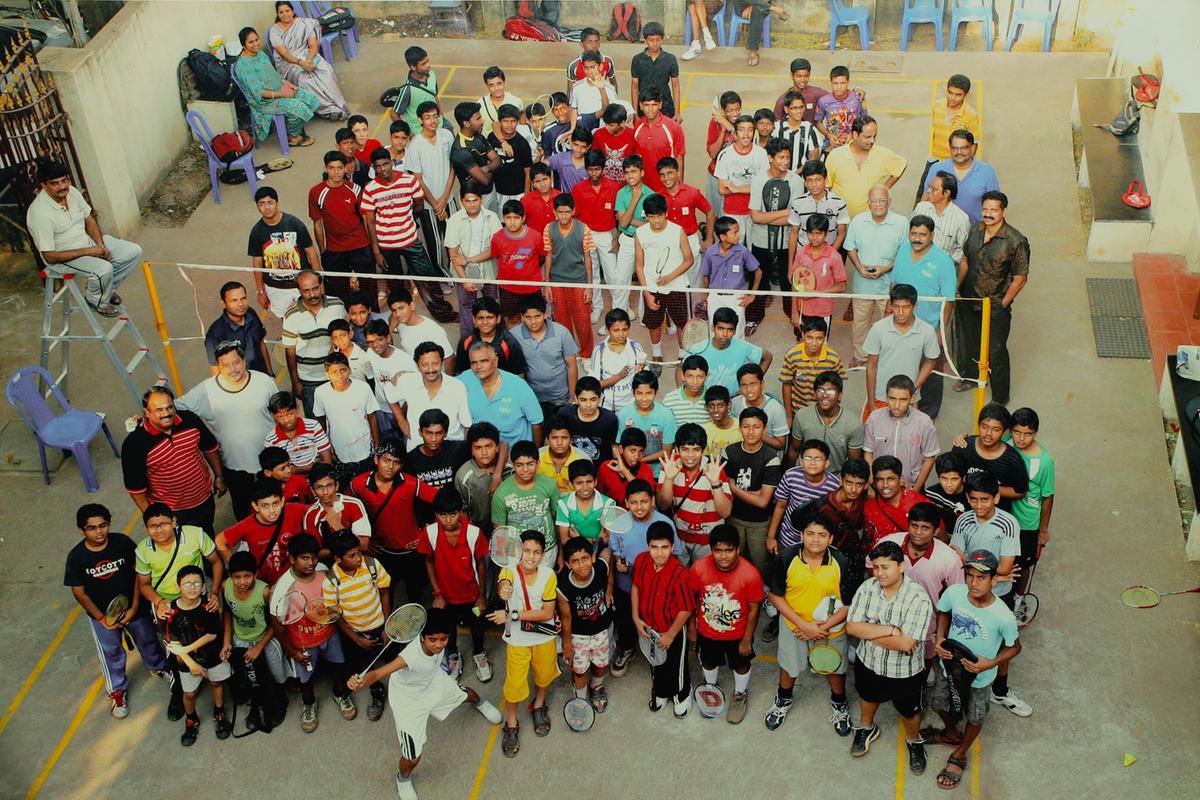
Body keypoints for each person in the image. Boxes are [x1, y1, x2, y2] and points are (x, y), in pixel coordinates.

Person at [349, 606, 501, 800]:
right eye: (433, 640)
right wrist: (360, 681)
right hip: (409, 703)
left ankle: (481, 703)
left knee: (467, 694)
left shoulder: (439, 643)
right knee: (412, 757)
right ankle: (402, 779)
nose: (439, 645)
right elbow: (379, 673)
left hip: (433, 683)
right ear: (422, 637)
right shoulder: (409, 656)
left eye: (443, 639)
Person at [926, 550, 1022, 790]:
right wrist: (939, 638)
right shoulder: (955, 593)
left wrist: (988, 664)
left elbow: (1015, 647)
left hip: (980, 676)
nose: (973, 583)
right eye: (969, 576)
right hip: (950, 667)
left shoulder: (1003, 616)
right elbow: (944, 611)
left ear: (993, 580)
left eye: (981, 578)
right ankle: (951, 732)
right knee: (937, 704)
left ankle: (960, 753)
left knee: (976, 717)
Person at [67, 503, 169, 719]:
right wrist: (101, 618)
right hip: (103, 617)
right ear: (81, 530)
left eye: (102, 525)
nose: (98, 531)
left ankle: (159, 666)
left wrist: (133, 606)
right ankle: (117, 691)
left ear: (109, 523)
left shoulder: (122, 542)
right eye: (91, 528)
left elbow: (138, 575)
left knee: (148, 639)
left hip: (135, 609)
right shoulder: (76, 557)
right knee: (111, 652)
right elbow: (80, 593)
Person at [845, 540, 934, 771]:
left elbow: (906, 644)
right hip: (869, 661)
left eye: (886, 567)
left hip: (904, 670)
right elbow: (852, 628)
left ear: (901, 566)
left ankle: (914, 741)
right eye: (876, 567)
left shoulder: (918, 598)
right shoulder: (867, 587)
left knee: (909, 710)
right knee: (868, 695)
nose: (879, 573)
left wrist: (870, 631)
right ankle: (866, 728)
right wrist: (890, 630)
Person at [763, 510, 852, 734]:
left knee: (835, 668)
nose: (815, 539)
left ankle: (839, 704)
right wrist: (804, 626)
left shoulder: (841, 561)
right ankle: (783, 700)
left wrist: (822, 627)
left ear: (831, 539)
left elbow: (850, 604)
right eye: (810, 533)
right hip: (794, 626)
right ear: (801, 535)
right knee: (789, 666)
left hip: (830, 628)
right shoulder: (786, 559)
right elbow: (774, 595)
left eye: (822, 535)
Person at [27, 160, 142, 317]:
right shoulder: (41, 214)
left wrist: (100, 245)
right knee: (104, 269)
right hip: (62, 256)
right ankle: (96, 301)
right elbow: (50, 256)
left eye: (64, 181)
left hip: (86, 244)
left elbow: (89, 219)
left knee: (133, 251)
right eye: (55, 184)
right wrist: (89, 251)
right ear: (43, 185)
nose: (62, 187)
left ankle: (106, 290)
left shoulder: (72, 193)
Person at [176, 341, 276, 520]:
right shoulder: (205, 390)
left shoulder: (264, 381)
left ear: (244, 360)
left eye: (236, 362)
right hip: (233, 464)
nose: (233, 369)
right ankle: (246, 537)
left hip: (269, 462)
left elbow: (279, 414)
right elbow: (174, 408)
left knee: (272, 502)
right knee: (242, 504)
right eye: (226, 365)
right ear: (218, 367)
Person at [486, 530, 561, 757]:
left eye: (536, 552)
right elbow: (503, 587)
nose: (530, 556)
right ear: (518, 551)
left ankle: (539, 705)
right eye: (526, 551)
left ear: (542, 554)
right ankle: (511, 724)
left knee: (544, 675)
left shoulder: (549, 575)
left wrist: (512, 615)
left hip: (544, 637)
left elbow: (547, 613)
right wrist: (504, 590)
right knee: (515, 684)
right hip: (517, 639)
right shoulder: (508, 571)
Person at [267, 532, 351, 732]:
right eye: (304, 558)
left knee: (339, 665)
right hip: (302, 642)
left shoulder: (323, 571)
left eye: (313, 557)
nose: (311, 562)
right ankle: (309, 703)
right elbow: (277, 624)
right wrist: (293, 652)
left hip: (330, 634)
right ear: (292, 559)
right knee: (305, 678)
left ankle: (341, 694)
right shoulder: (284, 587)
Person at [362, 148, 455, 322]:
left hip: (410, 240)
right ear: (374, 168)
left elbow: (418, 204)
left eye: (385, 164)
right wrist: (376, 251)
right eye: (378, 166)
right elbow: (370, 221)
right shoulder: (370, 189)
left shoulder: (409, 181)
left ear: (392, 162)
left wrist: (406, 218)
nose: (383, 169)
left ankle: (442, 313)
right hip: (386, 245)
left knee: (427, 278)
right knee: (395, 284)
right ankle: (399, 318)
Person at [957, 191, 1029, 405]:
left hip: (995, 307)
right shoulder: (975, 231)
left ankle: (1000, 397)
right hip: (969, 300)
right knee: (969, 343)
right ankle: (971, 378)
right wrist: (957, 289)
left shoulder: (1015, 240)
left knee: (995, 351)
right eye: (985, 209)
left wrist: (1003, 303)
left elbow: (1020, 278)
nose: (988, 214)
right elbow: (965, 261)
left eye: (993, 210)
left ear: (1003, 211)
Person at [872, 502, 964, 664]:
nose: (918, 533)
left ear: (936, 530)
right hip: (888, 621)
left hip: (927, 627)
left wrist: (941, 635)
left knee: (923, 665)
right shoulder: (888, 544)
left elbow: (953, 599)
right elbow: (871, 570)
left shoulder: (950, 559)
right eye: (914, 526)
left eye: (925, 528)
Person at [123, 387, 224, 533]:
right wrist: (153, 519)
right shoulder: (134, 445)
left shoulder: (190, 420)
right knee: (181, 548)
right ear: (146, 413)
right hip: (171, 511)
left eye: (169, 407)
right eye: (158, 410)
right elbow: (136, 490)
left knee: (206, 534)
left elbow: (210, 448)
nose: (166, 414)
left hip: (204, 500)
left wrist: (219, 477)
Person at [688, 524, 762, 724]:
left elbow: (754, 609)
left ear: (737, 549)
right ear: (711, 550)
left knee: (741, 664)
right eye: (718, 550)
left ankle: (740, 694)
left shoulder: (750, 574)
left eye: (728, 550)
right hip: (707, 631)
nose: (723, 556)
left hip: (737, 635)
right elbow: (691, 599)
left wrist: (747, 639)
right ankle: (710, 689)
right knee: (709, 661)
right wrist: (693, 629)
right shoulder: (699, 568)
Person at [420, 486, 491, 681]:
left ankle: (479, 654)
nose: (448, 520)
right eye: (443, 515)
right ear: (436, 514)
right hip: (446, 596)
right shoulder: (430, 533)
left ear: (460, 512)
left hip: (472, 595)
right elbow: (428, 561)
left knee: (477, 624)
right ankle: (452, 655)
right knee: (448, 627)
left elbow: (481, 566)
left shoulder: (474, 533)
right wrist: (438, 594)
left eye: (452, 514)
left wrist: (482, 597)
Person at [891, 215, 959, 418]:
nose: (917, 239)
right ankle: (901, 404)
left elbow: (949, 301)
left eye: (922, 234)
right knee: (902, 365)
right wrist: (889, 311)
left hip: (928, 327)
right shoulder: (903, 250)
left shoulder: (943, 262)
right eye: (913, 233)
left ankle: (928, 413)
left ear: (932, 235)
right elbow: (894, 284)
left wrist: (939, 333)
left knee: (930, 371)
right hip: (901, 323)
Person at [323, 529, 392, 722]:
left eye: (358, 552)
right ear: (338, 559)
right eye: (352, 555)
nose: (358, 558)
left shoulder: (371, 565)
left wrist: (387, 626)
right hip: (356, 632)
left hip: (380, 625)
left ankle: (408, 686)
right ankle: (376, 691)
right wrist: (356, 639)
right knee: (364, 663)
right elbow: (335, 615)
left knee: (392, 657)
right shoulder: (330, 581)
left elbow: (385, 592)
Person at [632, 521, 695, 716]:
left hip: (672, 629)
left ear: (672, 547)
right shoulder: (641, 560)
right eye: (654, 547)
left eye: (665, 547)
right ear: (648, 546)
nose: (659, 553)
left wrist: (670, 635)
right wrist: (635, 617)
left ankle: (682, 694)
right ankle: (661, 690)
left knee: (676, 665)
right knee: (655, 662)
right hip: (649, 628)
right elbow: (636, 587)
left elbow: (685, 609)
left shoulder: (680, 574)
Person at [221, 551, 288, 732]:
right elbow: (227, 613)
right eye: (237, 577)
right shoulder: (225, 587)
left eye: (247, 576)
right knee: (252, 677)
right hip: (241, 640)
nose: (242, 581)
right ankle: (258, 705)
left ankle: (279, 702)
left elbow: (276, 623)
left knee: (274, 673)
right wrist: (227, 641)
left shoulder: (265, 591)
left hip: (265, 640)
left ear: (255, 575)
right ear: (230, 576)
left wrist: (259, 647)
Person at [165, 564, 232, 745]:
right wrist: (191, 663)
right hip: (186, 662)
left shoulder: (208, 606)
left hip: (212, 655)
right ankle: (191, 719)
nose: (192, 587)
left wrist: (186, 649)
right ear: (178, 587)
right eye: (187, 584)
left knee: (217, 683)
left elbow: (212, 634)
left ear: (204, 587)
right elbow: (173, 642)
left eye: (197, 583)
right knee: (190, 693)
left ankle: (219, 713)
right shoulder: (170, 611)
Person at [844, 190, 908, 365]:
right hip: (862, 285)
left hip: (889, 286)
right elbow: (850, 248)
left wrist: (885, 268)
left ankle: (888, 358)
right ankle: (860, 355)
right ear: (868, 202)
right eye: (874, 201)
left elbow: (905, 254)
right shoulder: (858, 221)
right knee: (860, 322)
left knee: (891, 324)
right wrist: (859, 267)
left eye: (882, 200)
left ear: (890, 202)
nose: (878, 204)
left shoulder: (901, 223)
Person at [656, 424, 732, 565]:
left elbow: (726, 512)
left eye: (696, 450)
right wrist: (669, 478)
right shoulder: (670, 466)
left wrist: (715, 482)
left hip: (707, 541)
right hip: (680, 537)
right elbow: (663, 505)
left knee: (703, 579)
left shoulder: (714, 468)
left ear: (703, 450)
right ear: (677, 449)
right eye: (685, 449)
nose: (690, 455)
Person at [746, 141, 802, 329]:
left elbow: (794, 218)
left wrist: (767, 217)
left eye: (788, 157)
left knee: (789, 282)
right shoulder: (758, 180)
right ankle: (753, 317)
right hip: (760, 242)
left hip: (787, 243)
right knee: (759, 280)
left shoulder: (796, 181)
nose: (785, 162)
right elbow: (755, 216)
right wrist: (784, 212)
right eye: (781, 157)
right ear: (770, 158)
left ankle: (794, 319)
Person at [557, 536, 615, 712]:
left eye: (585, 558)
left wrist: (610, 586)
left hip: (601, 629)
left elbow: (608, 552)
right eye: (575, 561)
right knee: (580, 670)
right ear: (568, 564)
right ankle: (580, 699)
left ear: (593, 557)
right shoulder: (563, 586)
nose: (582, 565)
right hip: (578, 634)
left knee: (600, 663)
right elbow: (566, 618)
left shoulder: (600, 568)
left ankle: (597, 687)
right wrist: (567, 643)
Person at [234, 26, 317, 147]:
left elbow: (273, 75)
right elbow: (258, 93)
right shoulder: (243, 66)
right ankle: (293, 137)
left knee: (306, 96)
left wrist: (288, 85)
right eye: (251, 42)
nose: (256, 44)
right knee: (297, 106)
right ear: (243, 44)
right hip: (264, 102)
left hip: (278, 90)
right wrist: (283, 94)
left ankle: (295, 127)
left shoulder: (260, 54)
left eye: (257, 39)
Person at [309, 151, 374, 305]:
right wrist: (323, 250)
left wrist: (371, 245)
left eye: (339, 168)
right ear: (326, 169)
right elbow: (317, 223)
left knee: (368, 286)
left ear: (346, 169)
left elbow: (365, 218)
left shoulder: (356, 189)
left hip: (360, 245)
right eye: (332, 168)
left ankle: (372, 315)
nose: (336, 172)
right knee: (337, 290)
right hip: (334, 249)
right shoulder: (316, 192)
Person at [723, 407, 781, 578]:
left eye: (756, 427)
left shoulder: (770, 457)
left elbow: (763, 502)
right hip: (733, 518)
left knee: (760, 565)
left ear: (764, 429)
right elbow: (721, 487)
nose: (750, 432)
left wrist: (734, 488)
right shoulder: (729, 452)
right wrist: (755, 493)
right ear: (739, 428)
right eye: (746, 426)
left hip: (759, 523)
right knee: (733, 562)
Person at [636, 193, 694, 362]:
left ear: (666, 213)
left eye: (659, 216)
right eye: (651, 217)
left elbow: (689, 260)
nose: (656, 221)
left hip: (677, 286)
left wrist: (669, 277)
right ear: (646, 216)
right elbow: (639, 265)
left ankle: (683, 356)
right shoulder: (640, 233)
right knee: (653, 323)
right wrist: (647, 292)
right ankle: (657, 354)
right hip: (652, 288)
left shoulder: (677, 231)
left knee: (682, 323)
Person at [248, 186, 321, 319]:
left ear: (277, 203)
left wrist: (319, 282)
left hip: (301, 284)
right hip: (276, 288)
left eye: (270, 202)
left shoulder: (294, 224)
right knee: (286, 319)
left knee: (310, 316)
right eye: (262, 204)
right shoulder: (256, 232)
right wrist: (260, 291)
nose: (267, 207)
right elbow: (257, 263)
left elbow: (311, 252)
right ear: (257, 207)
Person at [1009, 407, 1055, 618]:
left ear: (1035, 433)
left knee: (1021, 564)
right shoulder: (1007, 442)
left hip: (1027, 522)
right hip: (1003, 514)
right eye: (1017, 432)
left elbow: (1048, 497)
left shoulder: (1045, 462)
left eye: (1027, 434)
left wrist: (1043, 530)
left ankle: (1019, 599)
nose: (1021, 438)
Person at [268, 1, 348, 119]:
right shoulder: (274, 31)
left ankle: (338, 103)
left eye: (287, 11)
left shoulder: (303, 23)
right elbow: (284, 54)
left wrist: (309, 61)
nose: (285, 14)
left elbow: (313, 45)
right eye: (281, 12)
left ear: (292, 11)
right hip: (289, 62)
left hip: (307, 55)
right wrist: (302, 64)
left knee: (326, 70)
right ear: (277, 14)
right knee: (306, 80)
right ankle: (327, 110)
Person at [280, 270, 343, 416]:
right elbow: (290, 351)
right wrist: (295, 382)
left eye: (315, 288)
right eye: (306, 291)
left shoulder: (337, 305)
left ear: (321, 285)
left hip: (335, 376)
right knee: (316, 421)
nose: (312, 295)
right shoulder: (291, 315)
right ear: (299, 291)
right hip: (308, 381)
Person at [409, 100, 459, 281]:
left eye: (435, 116)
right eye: (427, 117)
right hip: (430, 206)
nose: (432, 121)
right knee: (436, 244)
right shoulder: (415, 146)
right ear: (420, 120)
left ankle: (457, 272)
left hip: (449, 199)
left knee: (455, 237)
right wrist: (436, 204)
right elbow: (418, 179)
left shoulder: (446, 135)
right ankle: (441, 277)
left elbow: (454, 167)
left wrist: (445, 198)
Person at [863, 375, 940, 489]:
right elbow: (868, 453)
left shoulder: (924, 422)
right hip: (880, 485)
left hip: (911, 486)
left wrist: (916, 490)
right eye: (892, 398)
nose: (897, 405)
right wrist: (872, 483)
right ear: (886, 396)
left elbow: (929, 458)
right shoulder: (874, 418)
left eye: (903, 400)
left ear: (912, 398)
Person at [462, 341, 545, 447]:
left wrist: (536, 453)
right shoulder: (465, 379)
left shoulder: (518, 385)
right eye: (474, 362)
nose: (478, 366)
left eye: (484, 361)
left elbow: (537, 423)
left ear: (495, 361)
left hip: (515, 455)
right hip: (482, 454)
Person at [314, 352, 380, 483]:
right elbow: (321, 422)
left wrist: (377, 448)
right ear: (327, 375)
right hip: (339, 452)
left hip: (365, 448)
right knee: (344, 486)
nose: (339, 375)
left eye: (343, 370)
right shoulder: (321, 392)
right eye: (334, 372)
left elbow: (372, 417)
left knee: (367, 485)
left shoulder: (363, 388)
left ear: (350, 370)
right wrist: (325, 450)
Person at [541, 194, 595, 353]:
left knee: (583, 321)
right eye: (560, 212)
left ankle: (586, 354)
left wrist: (589, 286)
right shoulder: (548, 229)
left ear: (573, 211)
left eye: (567, 212)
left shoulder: (583, 228)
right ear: (554, 212)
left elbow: (588, 258)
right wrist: (547, 285)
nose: (563, 216)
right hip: (557, 282)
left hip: (579, 281)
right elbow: (548, 256)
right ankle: (568, 352)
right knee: (562, 322)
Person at [827, 115, 907, 222]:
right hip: (838, 221)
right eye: (868, 137)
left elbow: (901, 165)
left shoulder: (882, 154)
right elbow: (826, 187)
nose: (872, 140)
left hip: (867, 222)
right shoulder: (835, 155)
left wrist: (884, 189)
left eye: (875, 136)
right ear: (855, 135)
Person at [572, 149, 622, 322]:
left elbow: (619, 216)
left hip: (608, 234)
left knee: (612, 274)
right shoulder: (578, 189)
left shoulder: (614, 187)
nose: (594, 173)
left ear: (603, 168)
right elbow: (575, 216)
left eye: (597, 169)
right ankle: (597, 306)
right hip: (587, 233)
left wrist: (617, 238)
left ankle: (619, 306)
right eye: (591, 169)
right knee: (591, 273)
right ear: (586, 169)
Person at [445, 188, 503, 338]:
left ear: (481, 199)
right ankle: (469, 343)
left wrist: (469, 259)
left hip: (488, 270)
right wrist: (464, 279)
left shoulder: (492, 217)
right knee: (466, 308)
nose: (471, 205)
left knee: (491, 306)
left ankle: (493, 341)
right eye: (467, 201)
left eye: (475, 200)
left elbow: (495, 250)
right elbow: (453, 254)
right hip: (462, 273)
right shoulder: (454, 220)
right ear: (461, 201)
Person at [951, 402, 1029, 512]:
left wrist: (986, 489)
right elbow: (950, 474)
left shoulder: (1013, 460)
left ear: (1005, 431)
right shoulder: (963, 446)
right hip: (961, 510)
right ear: (978, 425)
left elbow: (1020, 491)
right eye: (984, 427)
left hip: (996, 515)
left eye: (996, 429)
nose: (988, 433)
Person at [768, 439, 841, 555]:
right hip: (788, 540)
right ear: (801, 461)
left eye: (818, 458)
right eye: (808, 458)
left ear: (827, 463)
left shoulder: (834, 485)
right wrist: (771, 537)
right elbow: (780, 506)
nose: (812, 462)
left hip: (817, 545)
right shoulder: (791, 476)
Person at [493, 441, 561, 565]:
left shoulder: (549, 485)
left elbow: (557, 519)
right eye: (519, 465)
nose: (525, 470)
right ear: (513, 466)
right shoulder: (501, 494)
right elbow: (500, 532)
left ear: (538, 463)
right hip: (516, 554)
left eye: (530, 464)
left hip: (547, 550)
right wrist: (505, 567)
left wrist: (561, 553)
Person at [658, 156, 714, 304]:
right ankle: (675, 318)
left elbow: (709, 212)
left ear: (677, 172)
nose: (666, 178)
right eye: (662, 175)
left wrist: (708, 239)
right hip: (668, 244)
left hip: (690, 241)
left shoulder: (692, 193)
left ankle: (694, 316)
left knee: (693, 280)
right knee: (672, 281)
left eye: (670, 173)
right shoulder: (658, 197)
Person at [396, 343, 472, 448]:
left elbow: (467, 425)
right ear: (417, 365)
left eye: (435, 364)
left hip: (451, 450)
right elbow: (390, 396)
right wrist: (402, 421)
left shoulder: (457, 387)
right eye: (425, 365)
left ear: (442, 363)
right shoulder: (408, 382)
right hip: (417, 450)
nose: (431, 369)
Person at [787, 370, 863, 473]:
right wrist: (788, 475)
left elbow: (853, 463)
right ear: (814, 394)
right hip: (804, 475)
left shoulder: (853, 424)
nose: (825, 395)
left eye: (831, 391)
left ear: (840, 395)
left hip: (835, 479)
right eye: (820, 390)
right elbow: (794, 450)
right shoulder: (802, 416)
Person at [486, 200, 547, 326]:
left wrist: (530, 271)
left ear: (523, 218)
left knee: (534, 320)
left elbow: (542, 257)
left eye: (516, 218)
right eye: (508, 218)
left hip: (532, 287)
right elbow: (497, 257)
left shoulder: (535, 236)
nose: (512, 222)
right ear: (503, 218)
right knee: (513, 319)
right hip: (508, 288)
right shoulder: (497, 238)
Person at [922, 129, 999, 226]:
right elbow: (925, 199)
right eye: (955, 148)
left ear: (973, 147)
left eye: (964, 148)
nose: (959, 152)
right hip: (941, 230)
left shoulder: (987, 171)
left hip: (976, 232)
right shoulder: (937, 168)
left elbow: (995, 204)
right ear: (950, 148)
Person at [688, 307, 772, 396]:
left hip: (733, 400)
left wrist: (751, 383)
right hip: (706, 401)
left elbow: (767, 357)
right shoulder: (698, 349)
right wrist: (680, 393)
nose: (725, 334)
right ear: (713, 328)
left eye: (730, 329)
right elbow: (680, 369)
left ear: (735, 331)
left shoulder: (743, 347)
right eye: (721, 328)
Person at [786, 159, 850, 274]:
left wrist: (829, 256)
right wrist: (791, 264)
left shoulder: (838, 202)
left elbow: (841, 234)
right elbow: (794, 234)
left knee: (827, 288)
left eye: (818, 180)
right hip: (803, 258)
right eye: (809, 181)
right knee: (802, 288)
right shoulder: (798, 203)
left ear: (825, 180)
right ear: (805, 182)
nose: (814, 185)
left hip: (829, 259)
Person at [613, 154, 656, 319]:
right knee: (620, 280)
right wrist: (635, 199)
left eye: (634, 171)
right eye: (626, 172)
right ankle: (619, 316)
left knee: (646, 278)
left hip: (646, 242)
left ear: (642, 173)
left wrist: (628, 220)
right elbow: (622, 225)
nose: (630, 176)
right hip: (628, 240)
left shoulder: (651, 195)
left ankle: (645, 315)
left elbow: (653, 224)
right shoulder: (621, 193)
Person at [701, 216, 760, 337]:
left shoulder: (742, 251)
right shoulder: (710, 253)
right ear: (723, 237)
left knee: (737, 333)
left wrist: (752, 295)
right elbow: (706, 277)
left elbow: (758, 272)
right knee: (715, 333)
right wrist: (706, 298)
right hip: (715, 298)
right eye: (735, 232)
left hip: (736, 299)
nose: (739, 235)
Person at [714, 115, 769, 242]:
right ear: (735, 133)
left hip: (755, 210)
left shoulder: (761, 154)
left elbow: (763, 187)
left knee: (752, 250)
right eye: (741, 129)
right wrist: (751, 187)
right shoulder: (725, 155)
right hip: (731, 211)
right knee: (733, 249)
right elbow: (722, 189)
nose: (746, 134)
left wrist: (735, 188)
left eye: (750, 129)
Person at [780, 319, 846, 424]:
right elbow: (787, 384)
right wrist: (788, 415)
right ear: (803, 335)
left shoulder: (833, 359)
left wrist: (831, 413)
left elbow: (837, 388)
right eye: (809, 338)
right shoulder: (792, 355)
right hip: (798, 412)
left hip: (823, 413)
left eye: (819, 338)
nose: (814, 343)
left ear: (825, 337)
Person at [789, 214, 847, 331]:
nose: (814, 237)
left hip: (823, 311)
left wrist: (816, 293)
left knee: (820, 344)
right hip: (802, 309)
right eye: (811, 233)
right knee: (803, 341)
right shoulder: (801, 253)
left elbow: (842, 286)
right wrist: (794, 311)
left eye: (819, 234)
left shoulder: (834, 257)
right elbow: (795, 283)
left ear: (826, 234)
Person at [360, 320, 415, 442]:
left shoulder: (404, 360)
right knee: (387, 442)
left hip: (402, 411)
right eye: (370, 342)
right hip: (381, 408)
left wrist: (401, 414)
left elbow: (413, 392)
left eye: (379, 340)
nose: (375, 345)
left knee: (404, 442)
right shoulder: (370, 353)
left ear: (388, 338)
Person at [618, 370, 677, 478]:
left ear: (656, 392)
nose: (644, 399)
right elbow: (619, 447)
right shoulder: (623, 414)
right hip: (629, 471)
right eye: (639, 393)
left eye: (649, 393)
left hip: (658, 473)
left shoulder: (666, 415)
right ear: (633, 392)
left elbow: (666, 451)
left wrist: (640, 460)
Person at [205, 282, 273, 376]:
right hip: (239, 384)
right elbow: (215, 368)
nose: (240, 304)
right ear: (223, 303)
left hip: (261, 376)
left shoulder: (251, 313)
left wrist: (270, 374)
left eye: (243, 298)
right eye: (234, 300)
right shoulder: (215, 334)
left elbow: (261, 343)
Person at [303, 461, 372, 551]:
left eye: (329, 485)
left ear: (337, 485)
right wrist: (341, 549)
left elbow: (364, 545)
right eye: (319, 487)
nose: (325, 492)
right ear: (312, 490)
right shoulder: (310, 514)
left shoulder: (354, 504)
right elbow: (314, 553)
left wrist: (338, 526)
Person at [453, 296, 526, 378]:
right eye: (480, 318)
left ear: (498, 319)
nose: (485, 322)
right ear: (474, 320)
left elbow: (518, 374)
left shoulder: (509, 342)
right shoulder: (466, 340)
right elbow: (460, 372)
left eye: (489, 317)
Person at [863, 456, 931, 543]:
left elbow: (939, 538)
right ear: (874, 481)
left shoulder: (921, 504)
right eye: (880, 480)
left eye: (890, 479)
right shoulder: (869, 507)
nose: (885, 485)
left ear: (900, 479)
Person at [591, 308, 647, 412]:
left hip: (631, 404)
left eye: (625, 330)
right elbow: (594, 384)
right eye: (616, 330)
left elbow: (646, 380)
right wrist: (618, 377)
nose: (621, 334)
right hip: (607, 406)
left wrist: (640, 374)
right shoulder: (599, 350)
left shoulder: (636, 348)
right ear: (608, 330)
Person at [450, 101, 502, 211]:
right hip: (474, 200)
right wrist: (491, 168)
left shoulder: (479, 136)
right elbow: (485, 180)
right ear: (466, 123)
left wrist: (486, 168)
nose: (482, 121)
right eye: (478, 119)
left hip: (490, 192)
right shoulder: (461, 150)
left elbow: (498, 161)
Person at [633, 87, 686, 194]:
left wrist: (679, 185)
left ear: (660, 105)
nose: (650, 109)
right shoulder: (637, 126)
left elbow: (679, 157)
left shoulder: (674, 127)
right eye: (646, 105)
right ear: (641, 106)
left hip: (666, 187)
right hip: (644, 188)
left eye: (654, 105)